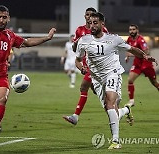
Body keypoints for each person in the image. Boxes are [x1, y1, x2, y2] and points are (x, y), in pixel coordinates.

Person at [75, 12, 156, 149]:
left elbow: (132, 49)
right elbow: (77, 60)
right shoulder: (84, 41)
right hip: (96, 79)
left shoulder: (114, 39)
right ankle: (126, 110)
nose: (92, 25)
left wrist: (145, 56)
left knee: (110, 102)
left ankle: (116, 141)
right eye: (90, 23)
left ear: (102, 24)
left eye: (95, 23)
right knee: (111, 110)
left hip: (112, 73)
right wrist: (81, 68)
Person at [0, 5, 56, 142]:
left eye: (4, 17)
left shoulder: (10, 35)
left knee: (2, 98)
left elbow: (27, 42)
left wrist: (46, 38)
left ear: (8, 18)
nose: (1, 20)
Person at [63, 7, 108, 125]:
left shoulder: (102, 30)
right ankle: (117, 110)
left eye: (91, 15)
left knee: (84, 87)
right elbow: (75, 49)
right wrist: (76, 44)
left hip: (100, 66)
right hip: (88, 65)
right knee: (96, 91)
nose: (89, 17)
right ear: (85, 16)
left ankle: (75, 116)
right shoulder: (80, 30)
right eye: (87, 15)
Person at [125, 24, 159, 107]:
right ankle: (131, 101)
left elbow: (146, 52)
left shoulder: (141, 40)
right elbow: (128, 48)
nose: (131, 31)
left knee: (154, 83)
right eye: (130, 30)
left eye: (133, 29)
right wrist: (127, 56)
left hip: (146, 64)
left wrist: (132, 55)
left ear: (137, 30)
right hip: (137, 64)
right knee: (130, 80)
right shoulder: (129, 39)